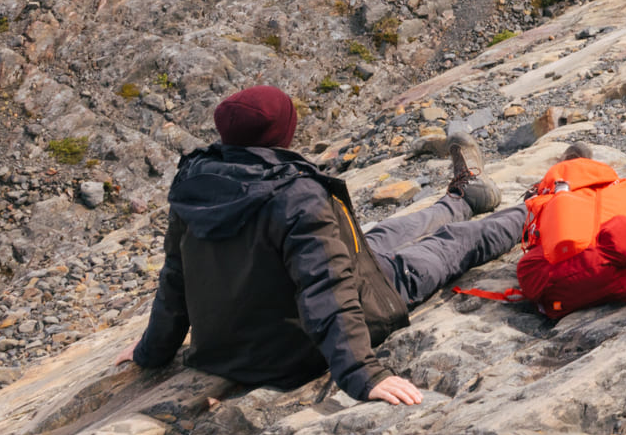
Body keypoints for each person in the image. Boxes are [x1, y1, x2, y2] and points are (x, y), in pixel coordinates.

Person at [125, 85, 519, 404]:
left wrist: (150, 353)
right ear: (281, 132)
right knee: (453, 245)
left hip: (227, 346)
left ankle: (463, 198)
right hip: (298, 347)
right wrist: (364, 374)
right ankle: (542, 206)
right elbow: (326, 286)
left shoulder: (195, 181)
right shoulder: (293, 192)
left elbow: (175, 278)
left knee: (382, 235)